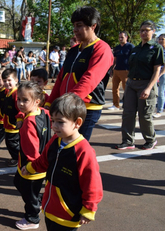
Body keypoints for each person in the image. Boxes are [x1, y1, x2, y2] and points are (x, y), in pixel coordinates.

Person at [22, 93, 103, 231]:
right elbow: (44, 160)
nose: (54, 126)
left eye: (60, 122)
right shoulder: (56, 140)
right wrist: (30, 168)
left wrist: (89, 209)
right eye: (52, 121)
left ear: (77, 123)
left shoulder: (84, 151)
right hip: (51, 207)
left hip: (69, 211)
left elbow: (92, 183)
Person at [46, 6, 114, 141]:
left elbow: (90, 79)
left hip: (86, 108)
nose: (75, 30)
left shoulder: (102, 49)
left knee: (76, 148)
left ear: (93, 26)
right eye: (74, 25)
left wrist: (67, 102)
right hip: (66, 106)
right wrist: (49, 104)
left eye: (79, 25)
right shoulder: (73, 50)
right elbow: (61, 78)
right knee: (62, 145)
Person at [116, 20, 164, 150]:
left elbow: (156, 71)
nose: (143, 32)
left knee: (144, 115)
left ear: (153, 32)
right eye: (142, 30)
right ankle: (127, 141)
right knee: (128, 113)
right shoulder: (135, 48)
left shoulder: (156, 48)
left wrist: (148, 88)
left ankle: (150, 140)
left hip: (146, 84)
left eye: (147, 30)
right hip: (131, 83)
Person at [14, 81, 51, 230]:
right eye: (18, 99)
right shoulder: (43, 112)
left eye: (25, 100)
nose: (20, 103)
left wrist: (30, 167)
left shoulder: (29, 122)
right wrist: (20, 116)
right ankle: (39, 201)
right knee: (19, 183)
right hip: (41, 163)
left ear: (36, 101)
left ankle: (32, 218)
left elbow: (32, 149)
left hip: (31, 166)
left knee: (29, 194)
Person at [108, 31, 134, 110]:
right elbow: (115, 59)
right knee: (114, 88)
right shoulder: (117, 48)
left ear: (126, 37)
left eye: (122, 37)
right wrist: (112, 69)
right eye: (119, 37)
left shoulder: (130, 47)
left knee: (127, 89)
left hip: (126, 70)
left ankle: (128, 105)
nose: (120, 39)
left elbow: (134, 59)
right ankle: (116, 105)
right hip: (117, 70)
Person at [2, 69, 21, 166]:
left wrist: (19, 120)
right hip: (8, 124)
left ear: (16, 80)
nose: (7, 83)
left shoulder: (16, 94)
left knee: (12, 143)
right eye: (5, 81)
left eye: (9, 80)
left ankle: (18, 158)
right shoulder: (8, 92)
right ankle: (16, 157)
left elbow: (20, 109)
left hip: (13, 125)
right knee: (10, 143)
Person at [153, 34, 165, 118]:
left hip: (162, 73)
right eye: (159, 39)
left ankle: (159, 111)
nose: (160, 41)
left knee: (160, 92)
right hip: (157, 72)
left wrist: (159, 75)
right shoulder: (158, 49)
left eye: (162, 39)